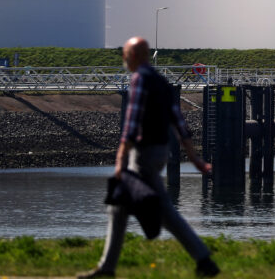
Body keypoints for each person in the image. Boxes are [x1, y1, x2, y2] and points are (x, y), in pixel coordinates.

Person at [78, 37, 219, 278]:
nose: (124, 60)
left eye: (125, 55)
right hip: (160, 152)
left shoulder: (140, 80)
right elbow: (179, 122)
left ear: (133, 56)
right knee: (119, 207)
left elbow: (132, 123)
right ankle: (108, 267)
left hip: (141, 154)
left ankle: (204, 259)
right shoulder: (162, 82)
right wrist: (194, 157)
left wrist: (121, 158)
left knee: (162, 209)